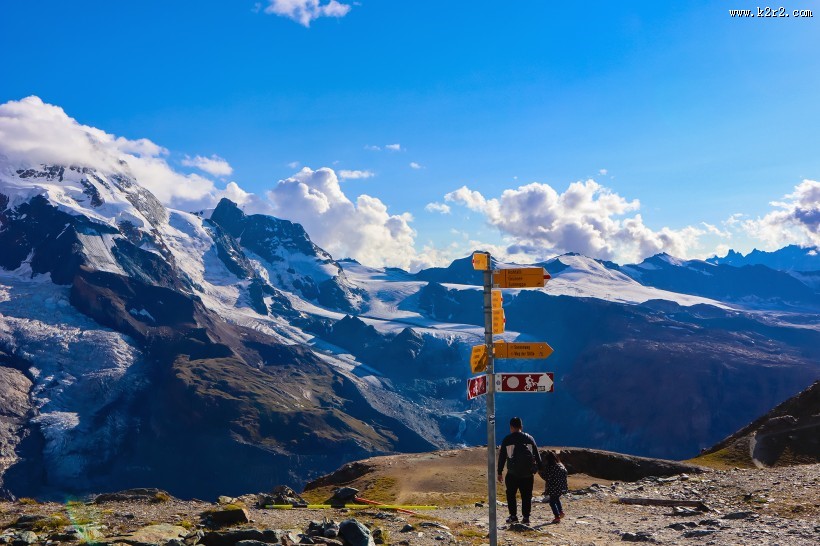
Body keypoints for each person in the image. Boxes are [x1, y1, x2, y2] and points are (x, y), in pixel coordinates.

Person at [497, 416, 541, 525]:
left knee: (511, 494)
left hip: (512, 474)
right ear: (521, 426)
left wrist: (499, 472)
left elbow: (502, 457)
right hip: (527, 474)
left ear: (511, 427)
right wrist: (538, 469)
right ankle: (526, 517)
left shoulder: (507, 439)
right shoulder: (530, 439)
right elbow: (537, 456)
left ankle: (513, 516)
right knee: (526, 495)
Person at [540, 450, 568, 523]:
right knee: (556, 498)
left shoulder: (551, 467)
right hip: (562, 487)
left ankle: (557, 517)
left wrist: (540, 473)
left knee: (552, 502)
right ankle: (561, 512)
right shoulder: (561, 465)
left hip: (553, 487)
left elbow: (546, 477)